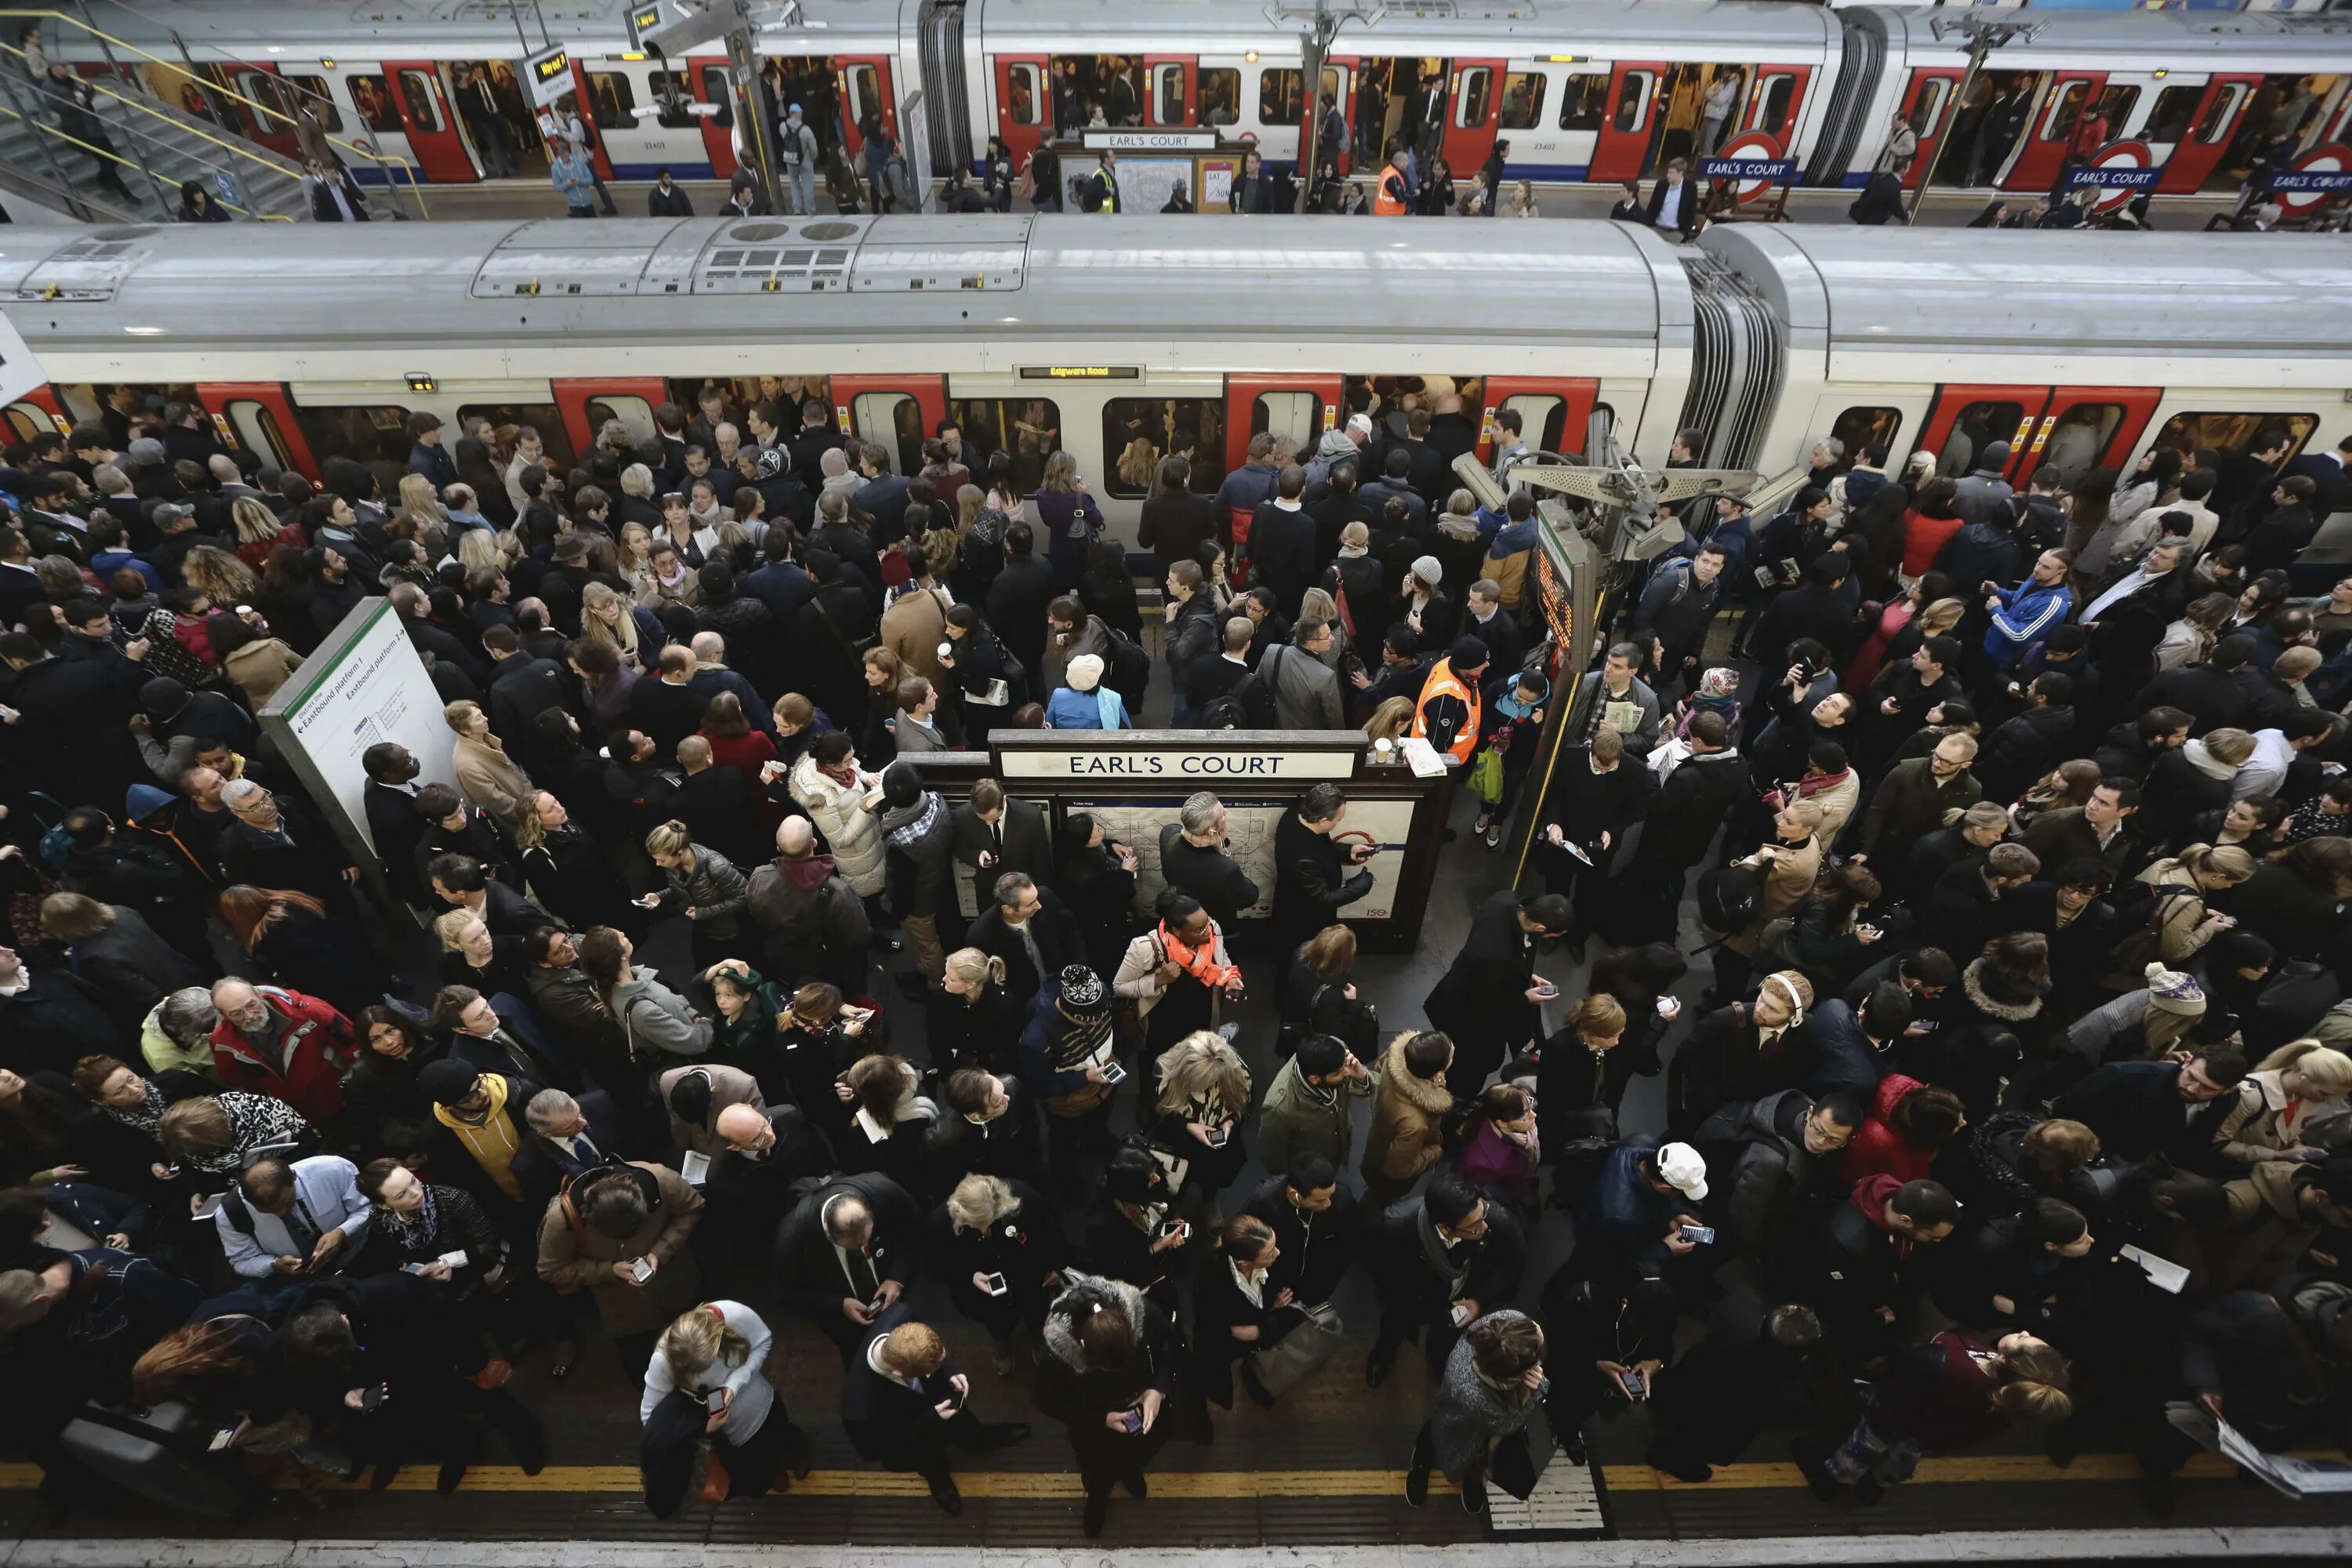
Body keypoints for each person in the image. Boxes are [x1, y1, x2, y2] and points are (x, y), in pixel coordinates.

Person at [535, 1156, 706, 1378]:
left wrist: (660, 1252)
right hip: (627, 1313)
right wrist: (609, 1270)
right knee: (645, 1373)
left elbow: (693, 1207)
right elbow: (550, 1270)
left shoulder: (660, 1180)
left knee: (704, 1350)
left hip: (679, 1288)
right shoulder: (564, 1220)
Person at [640, 1300, 808, 1505]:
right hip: (731, 1437)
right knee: (756, 1462)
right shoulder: (662, 1362)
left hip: (764, 1407)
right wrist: (702, 1429)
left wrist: (734, 1384)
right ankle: (773, 1472)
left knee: (783, 1434)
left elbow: (763, 1341)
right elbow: (651, 1419)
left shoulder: (733, 1315)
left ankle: (797, 1451)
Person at [1405, 1308, 1549, 1513]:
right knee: (1455, 1446)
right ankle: (1424, 1457)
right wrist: (1534, 1390)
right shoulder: (1476, 1397)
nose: (1538, 1330)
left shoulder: (1506, 1323)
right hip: (1463, 1424)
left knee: (1442, 1429)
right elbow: (1508, 1424)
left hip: (1451, 1401)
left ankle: (1456, 1469)